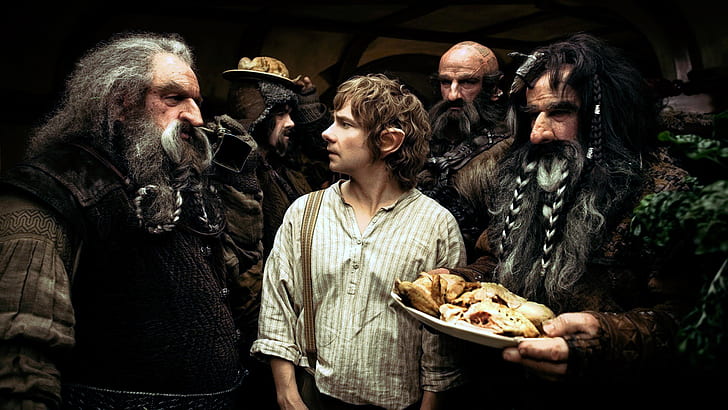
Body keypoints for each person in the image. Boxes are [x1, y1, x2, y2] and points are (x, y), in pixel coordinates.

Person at [430, 33, 702, 404]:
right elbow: (497, 257)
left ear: (607, 116)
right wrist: (461, 281)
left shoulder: (663, 194)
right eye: (532, 115)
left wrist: (605, 339)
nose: (538, 133)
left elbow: (691, 316)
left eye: (560, 112)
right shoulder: (523, 179)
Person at [0, 32, 248, 409]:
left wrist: (243, 185)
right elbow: (20, 362)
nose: (196, 118)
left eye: (196, 101)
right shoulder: (54, 191)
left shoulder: (170, 182)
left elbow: (234, 275)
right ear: (120, 103)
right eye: (174, 98)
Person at [251, 73, 466, 410]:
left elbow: (441, 342)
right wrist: (287, 394)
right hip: (314, 395)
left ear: (388, 141)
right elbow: (278, 305)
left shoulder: (436, 225)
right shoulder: (306, 212)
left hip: (399, 403)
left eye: (345, 124)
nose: (327, 132)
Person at [417, 41, 511, 262]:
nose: (452, 95)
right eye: (445, 82)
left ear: (493, 88)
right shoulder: (420, 140)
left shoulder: (508, 152)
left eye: (468, 82)